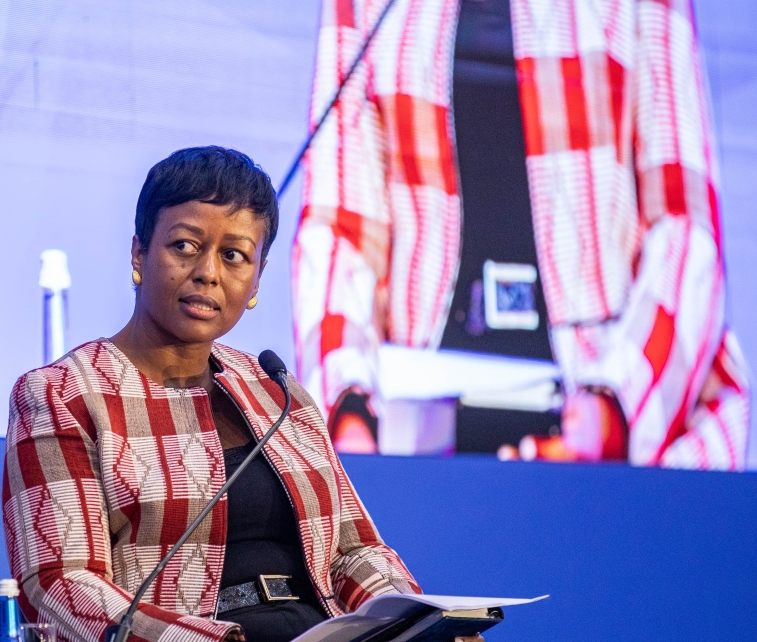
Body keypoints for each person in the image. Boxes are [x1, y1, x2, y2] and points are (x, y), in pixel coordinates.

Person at [2, 147, 494, 642]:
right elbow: (62, 587)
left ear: (257, 279)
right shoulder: (62, 395)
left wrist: (410, 629)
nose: (208, 273)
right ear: (139, 253)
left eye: (234, 256)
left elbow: (353, 550)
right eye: (184, 246)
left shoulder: (277, 393)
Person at [293, 0, 750, 467]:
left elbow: (684, 222)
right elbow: (338, 230)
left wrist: (612, 414)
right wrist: (348, 417)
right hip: (416, 419)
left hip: (606, 405)